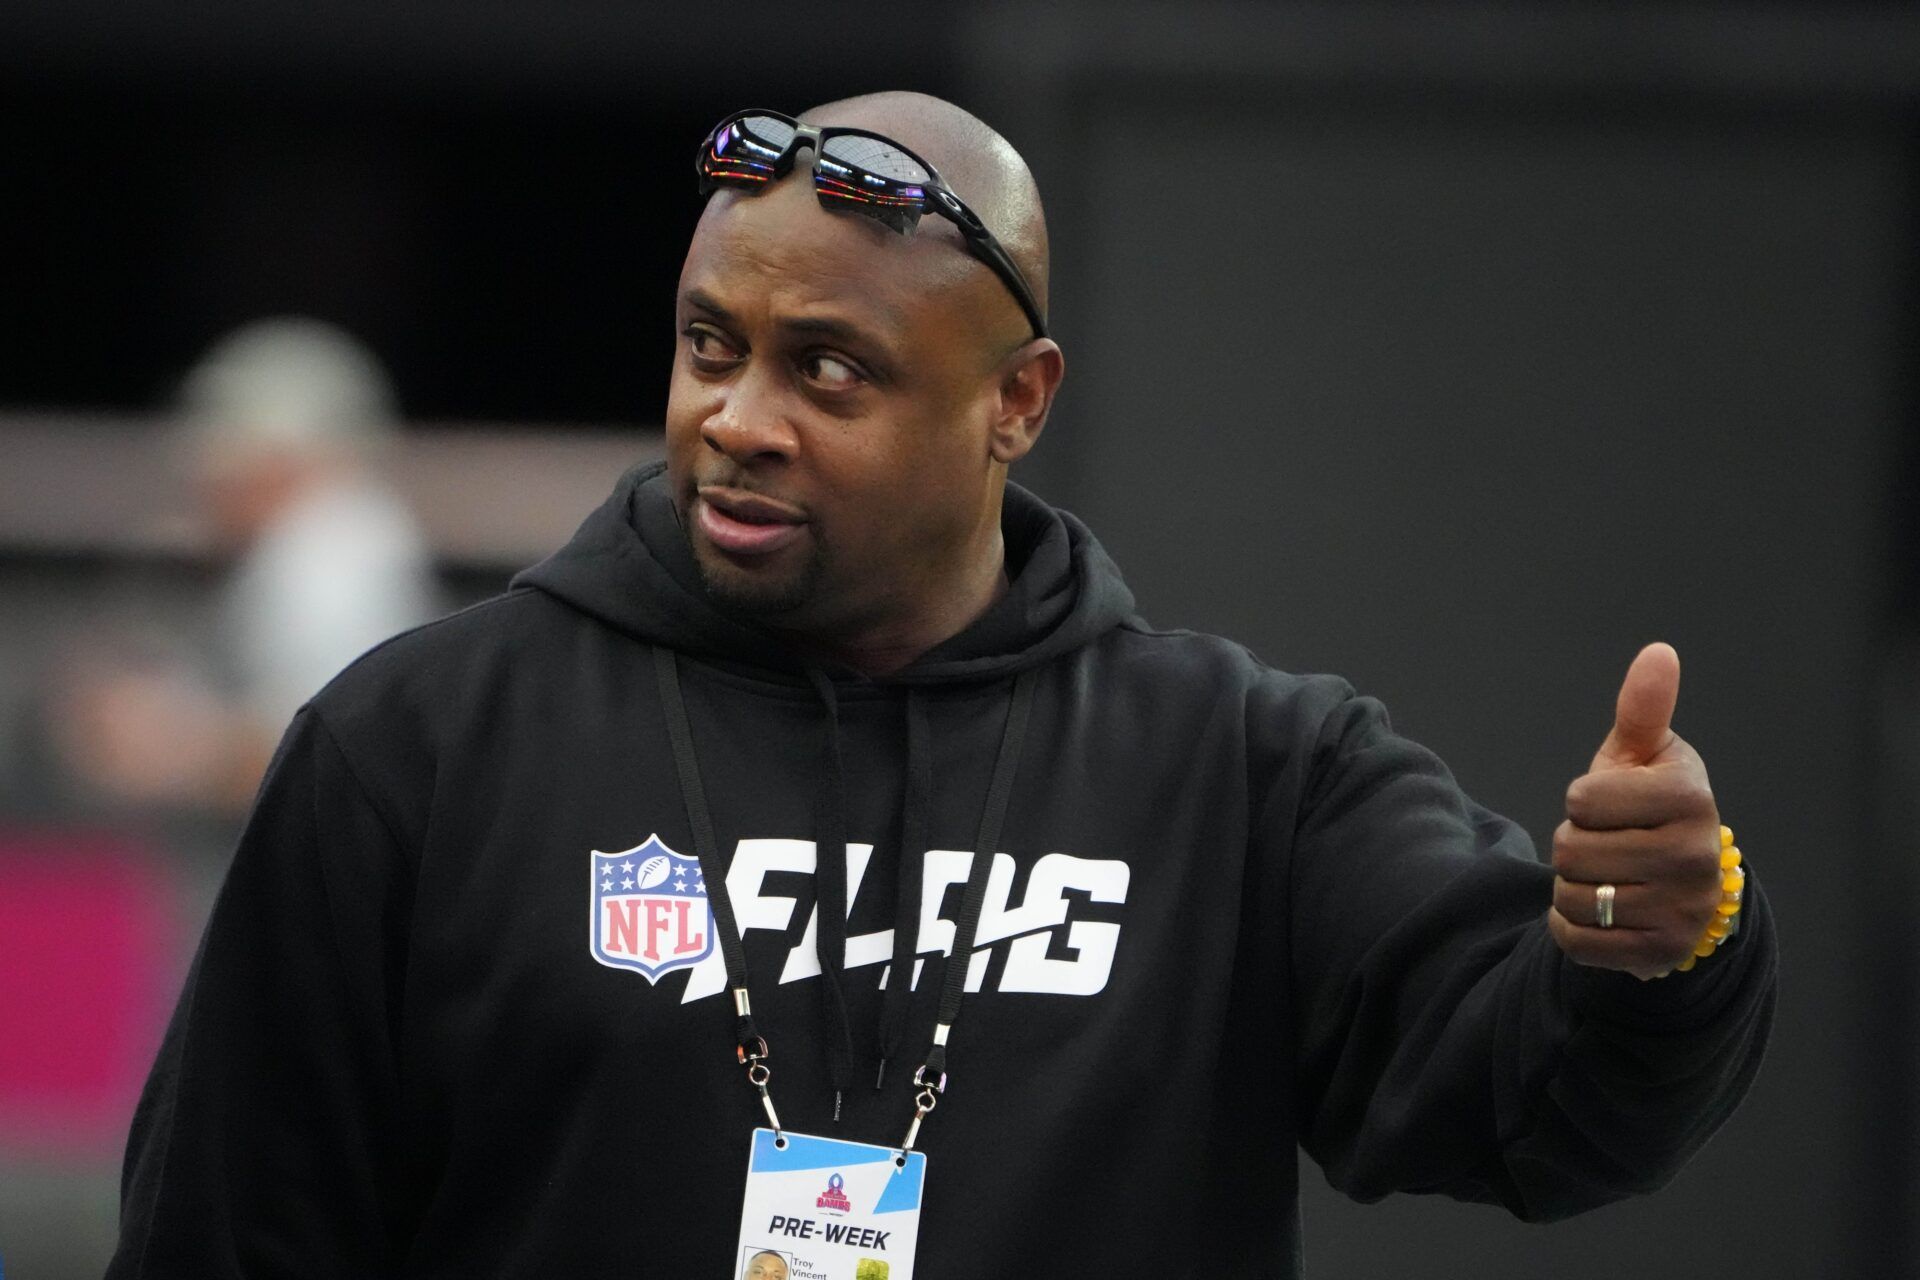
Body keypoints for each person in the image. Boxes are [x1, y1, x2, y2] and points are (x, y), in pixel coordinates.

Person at [107, 93, 1775, 1277]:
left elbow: (1542, 1118)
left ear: (1018, 401)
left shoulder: (1242, 771)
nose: (741, 417)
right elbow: (229, 1239)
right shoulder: (418, 751)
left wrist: (1657, 954)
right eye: (711, 345)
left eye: (830, 368)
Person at [57, 317, 442, 817]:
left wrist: (167, 745)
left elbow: (335, 756)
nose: (208, 480)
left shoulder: (332, 556)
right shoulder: (320, 541)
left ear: (280, 458)